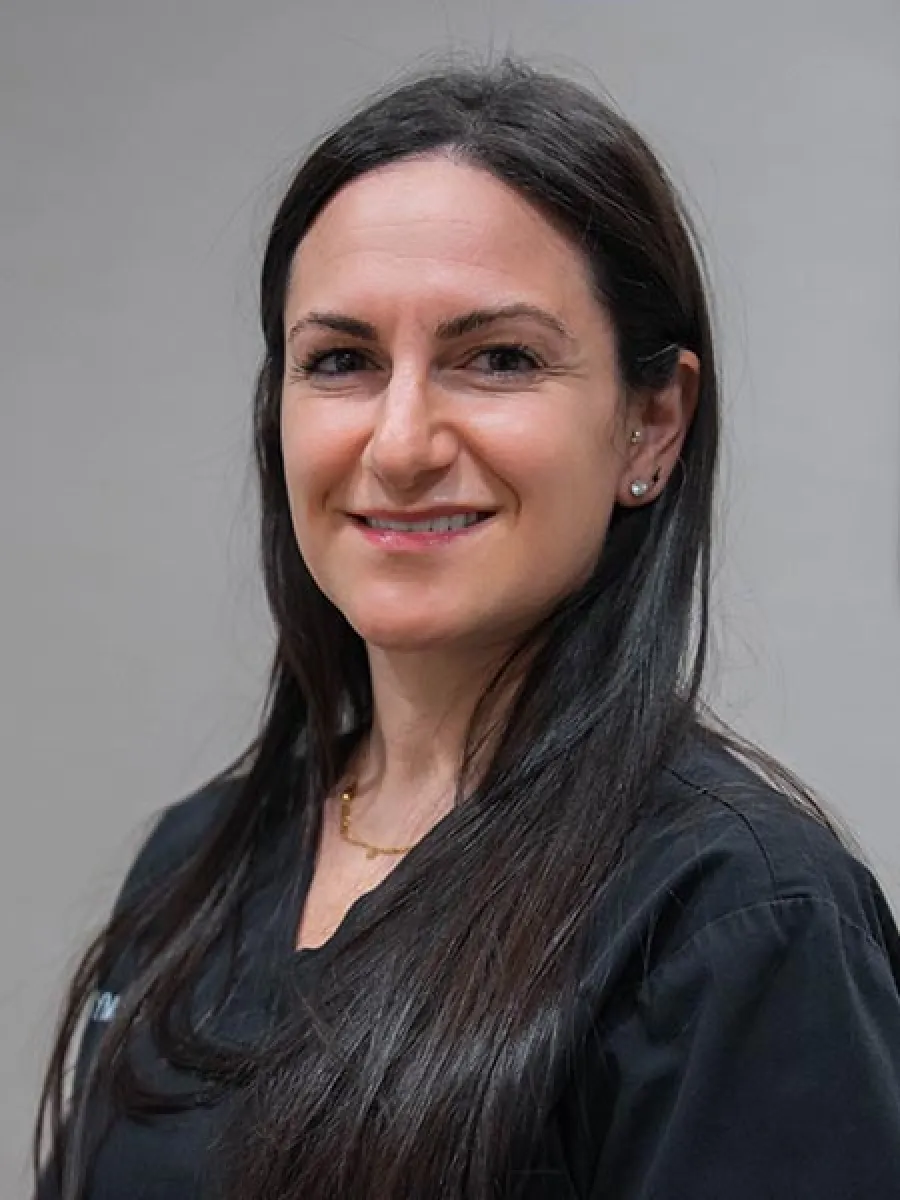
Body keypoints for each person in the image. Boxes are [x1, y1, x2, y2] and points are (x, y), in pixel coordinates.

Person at [34, 57, 900, 1200]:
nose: (399, 444)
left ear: (650, 425)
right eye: (340, 361)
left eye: (497, 358)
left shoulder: (734, 922)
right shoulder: (197, 868)